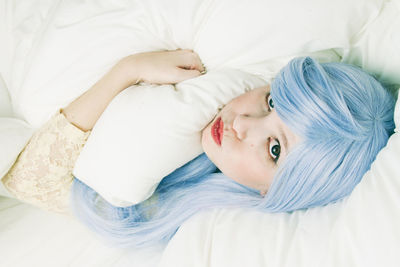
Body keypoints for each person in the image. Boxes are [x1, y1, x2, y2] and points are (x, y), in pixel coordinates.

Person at [1, 50, 395, 249]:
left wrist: (127, 71)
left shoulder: (203, 224)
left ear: (276, 190)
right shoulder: (199, 104)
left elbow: (27, 181)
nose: (242, 124)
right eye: (273, 102)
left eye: (274, 149)